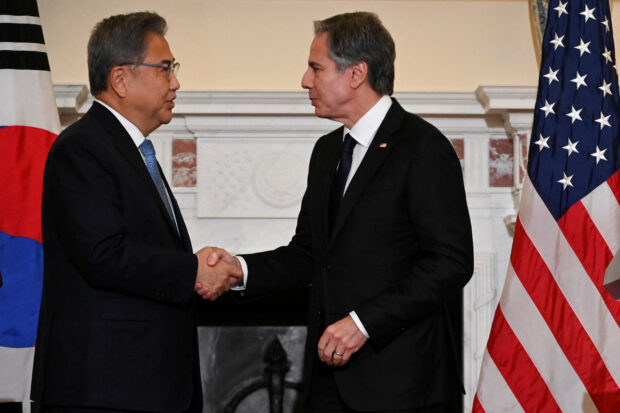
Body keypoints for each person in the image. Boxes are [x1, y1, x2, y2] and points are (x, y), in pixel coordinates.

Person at [198, 11, 473, 413]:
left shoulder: (422, 148)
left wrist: (362, 323)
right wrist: (239, 269)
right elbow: (310, 255)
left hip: (404, 387)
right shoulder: (328, 151)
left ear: (356, 74)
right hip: (328, 384)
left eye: (315, 67)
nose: (305, 81)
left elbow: (450, 263)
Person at [31, 12, 241, 413]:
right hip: (108, 392)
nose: (176, 82)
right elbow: (103, 254)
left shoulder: (133, 151)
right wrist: (192, 271)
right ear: (120, 79)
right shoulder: (83, 148)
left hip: (146, 388)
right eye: (165, 68)